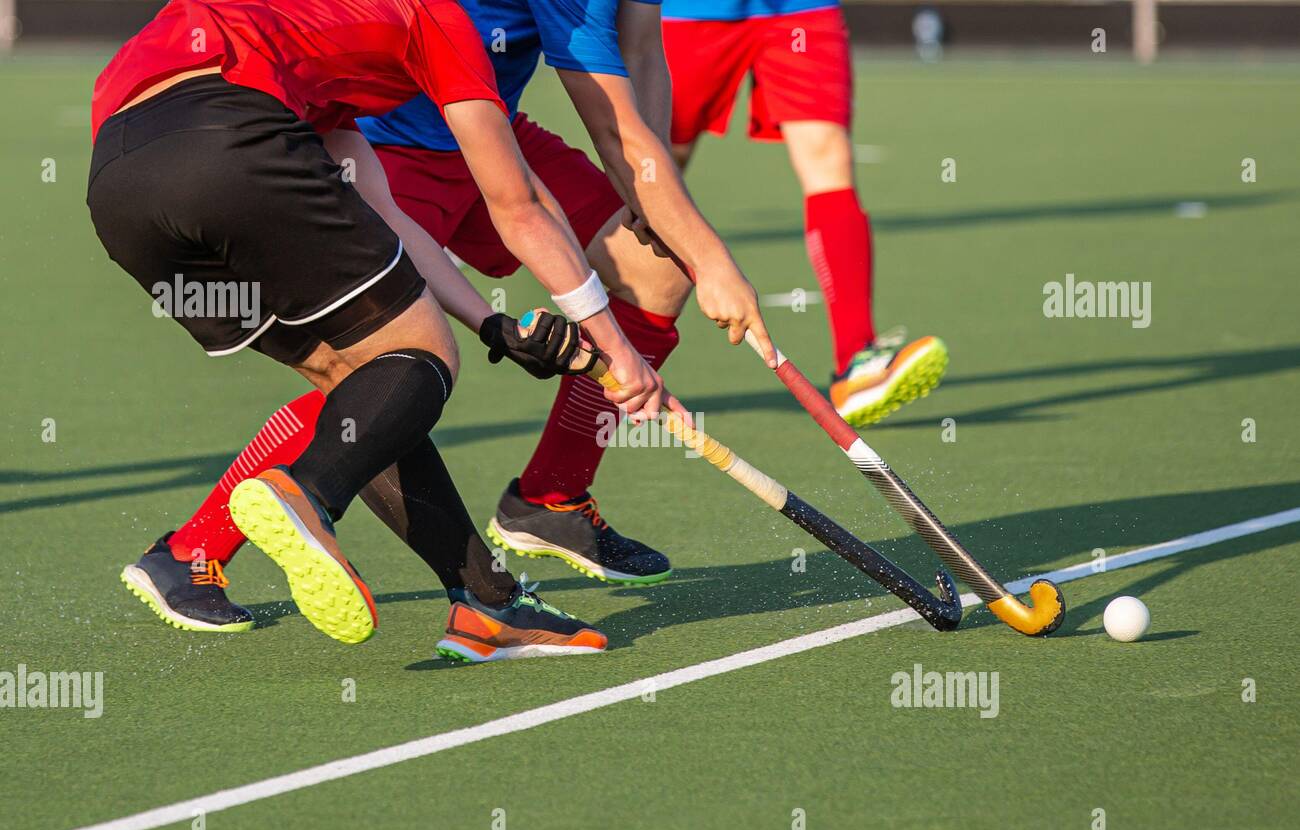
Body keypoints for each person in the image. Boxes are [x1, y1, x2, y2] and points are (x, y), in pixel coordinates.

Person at [121, 0, 782, 639]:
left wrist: (658, 208)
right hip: (385, 138)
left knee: (653, 271)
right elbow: (605, 133)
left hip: (487, 125)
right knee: (376, 361)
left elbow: (639, 52)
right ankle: (194, 547)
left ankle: (549, 501)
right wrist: (712, 260)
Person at [662, 0, 948, 425]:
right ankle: (615, 339)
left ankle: (856, 363)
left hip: (800, 9)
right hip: (690, 12)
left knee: (827, 155)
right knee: (660, 168)